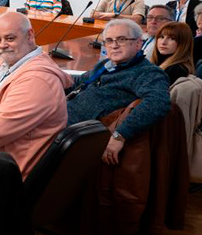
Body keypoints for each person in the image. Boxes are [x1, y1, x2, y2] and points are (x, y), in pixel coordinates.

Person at [0, 12, 71, 177]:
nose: (2, 45)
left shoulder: (38, 80)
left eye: (10, 38)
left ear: (29, 35)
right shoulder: (6, 64)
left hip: (6, 173)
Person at [66, 19, 171, 165]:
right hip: (63, 119)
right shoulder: (106, 64)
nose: (114, 45)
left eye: (121, 39)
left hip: (77, 135)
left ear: (138, 44)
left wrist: (119, 135)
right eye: (109, 40)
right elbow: (79, 82)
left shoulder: (147, 73)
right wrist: (53, 77)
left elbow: (158, 102)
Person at [150, 22, 195, 86]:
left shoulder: (177, 70)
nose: (163, 42)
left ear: (183, 43)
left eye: (172, 38)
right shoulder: (156, 63)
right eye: (161, 37)